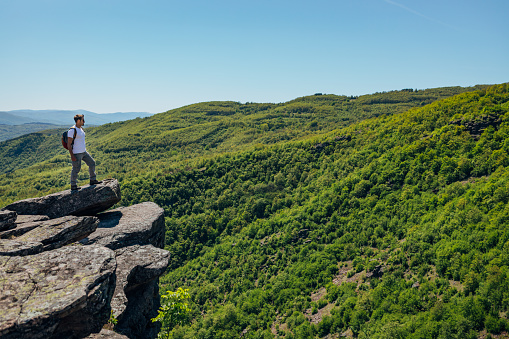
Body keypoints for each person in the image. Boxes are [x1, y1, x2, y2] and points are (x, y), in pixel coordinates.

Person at [67, 114, 102, 191]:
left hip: (84, 152)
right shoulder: (72, 130)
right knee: (76, 168)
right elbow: (68, 144)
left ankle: (92, 180)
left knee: (92, 163)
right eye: (83, 120)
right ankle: (73, 185)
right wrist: (72, 155)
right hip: (76, 153)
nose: (84, 121)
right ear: (78, 121)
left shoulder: (81, 129)